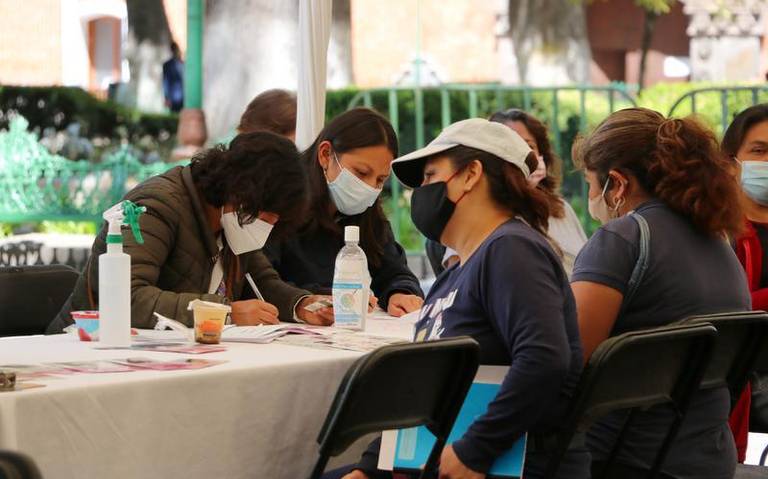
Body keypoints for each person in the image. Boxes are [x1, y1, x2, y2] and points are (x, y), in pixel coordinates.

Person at [329, 118, 589, 479]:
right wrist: (371, 468)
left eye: (431, 176)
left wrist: (476, 450)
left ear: (471, 175)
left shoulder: (511, 250)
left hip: (503, 465)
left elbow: (545, 358)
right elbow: (423, 389)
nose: (421, 192)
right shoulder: (456, 270)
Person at [571, 107, 750, 478]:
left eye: (590, 183)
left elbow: (568, 362)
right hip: (708, 460)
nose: (591, 198)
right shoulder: (718, 239)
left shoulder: (622, 239)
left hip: (624, 461)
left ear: (617, 184)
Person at [47, 132, 334, 333]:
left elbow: (262, 281)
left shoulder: (233, 221)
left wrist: (303, 304)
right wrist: (226, 313)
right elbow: (128, 299)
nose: (267, 226)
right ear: (240, 191)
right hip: (85, 351)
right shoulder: (156, 207)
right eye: (266, 216)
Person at [263, 108, 424, 317]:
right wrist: (314, 298)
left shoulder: (367, 214)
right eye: (361, 172)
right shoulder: (280, 201)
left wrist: (401, 292)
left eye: (380, 179)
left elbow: (393, 268)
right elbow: (261, 279)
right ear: (325, 155)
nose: (369, 187)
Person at [428, 109, 587, 277]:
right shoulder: (475, 217)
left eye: (529, 146)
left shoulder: (561, 210)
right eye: (509, 147)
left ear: (542, 155)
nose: (521, 155)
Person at [722, 103, 768, 461]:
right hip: (740, 387)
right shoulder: (716, 234)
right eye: (759, 151)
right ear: (729, 162)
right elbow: (718, 311)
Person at [162, 42, 184, 113]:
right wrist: (167, 98)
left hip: (183, 97)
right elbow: (165, 82)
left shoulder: (183, 64)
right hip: (174, 98)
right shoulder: (167, 65)